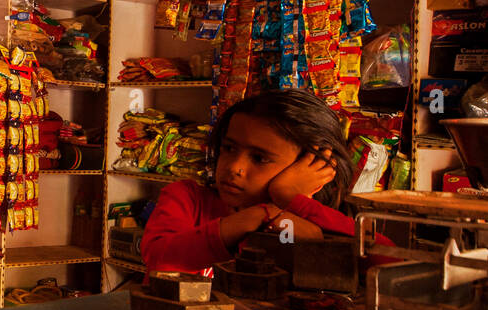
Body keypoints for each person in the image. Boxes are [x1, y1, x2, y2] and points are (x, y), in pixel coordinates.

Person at [142, 89, 372, 275]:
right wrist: (258, 216)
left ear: (313, 169)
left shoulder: (322, 219)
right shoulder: (187, 198)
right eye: (229, 148)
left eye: (259, 158)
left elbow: (385, 260)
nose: (234, 168)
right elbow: (159, 257)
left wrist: (288, 199)